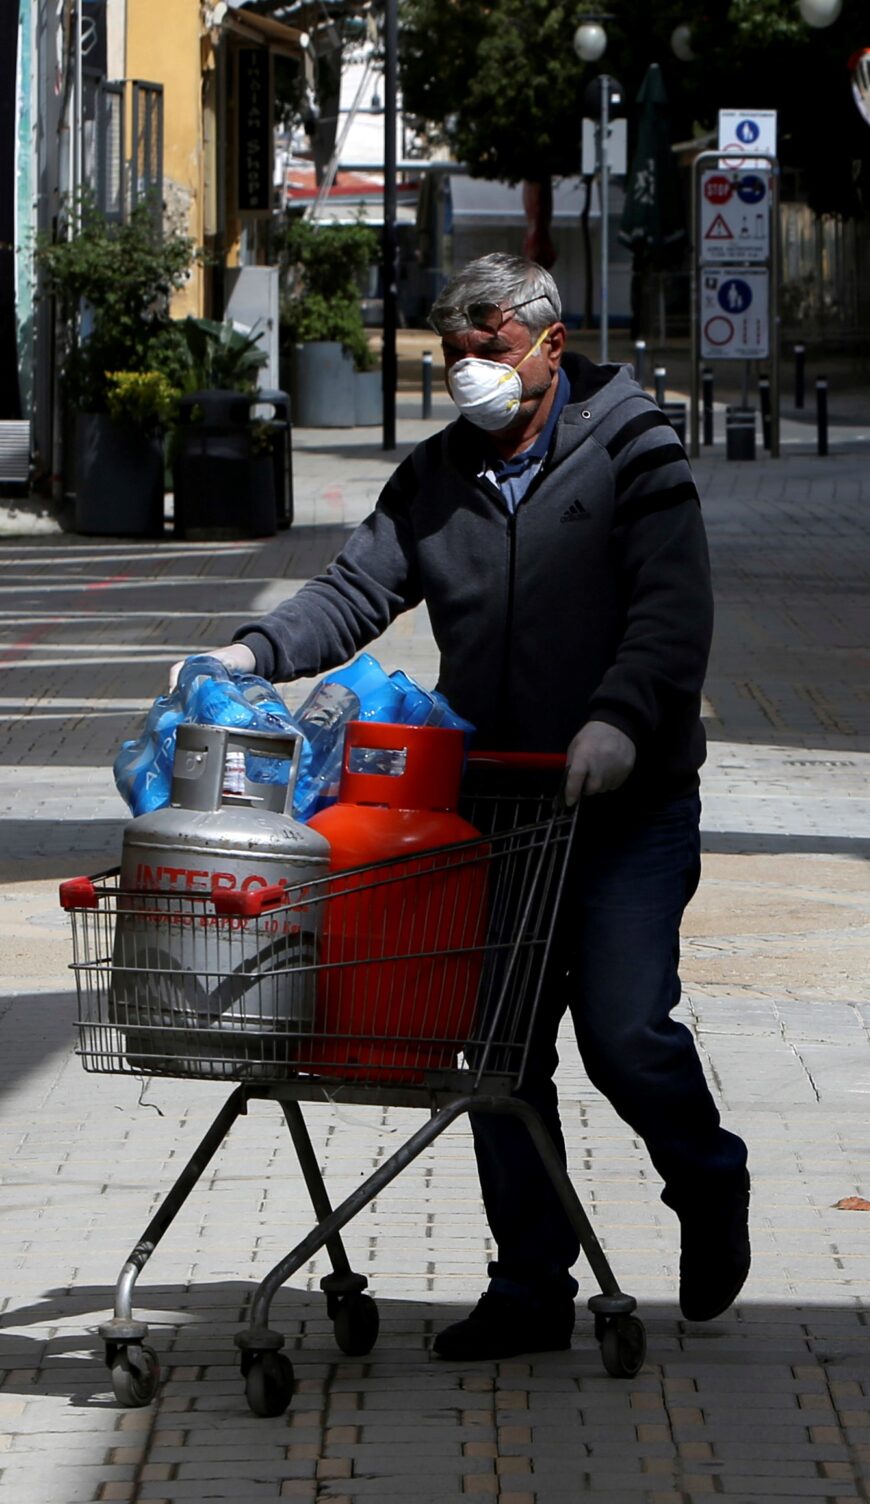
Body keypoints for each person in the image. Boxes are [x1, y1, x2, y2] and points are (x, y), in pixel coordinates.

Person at [179, 253, 749, 1357]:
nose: (469, 371)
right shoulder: (438, 475)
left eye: (488, 348)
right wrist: (248, 651)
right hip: (496, 804)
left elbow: (673, 611)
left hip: (625, 801)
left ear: (548, 340)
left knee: (625, 1034)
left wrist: (622, 721)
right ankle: (531, 1287)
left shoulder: (635, 450)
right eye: (453, 354)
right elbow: (354, 588)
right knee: (497, 1050)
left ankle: (707, 1178)